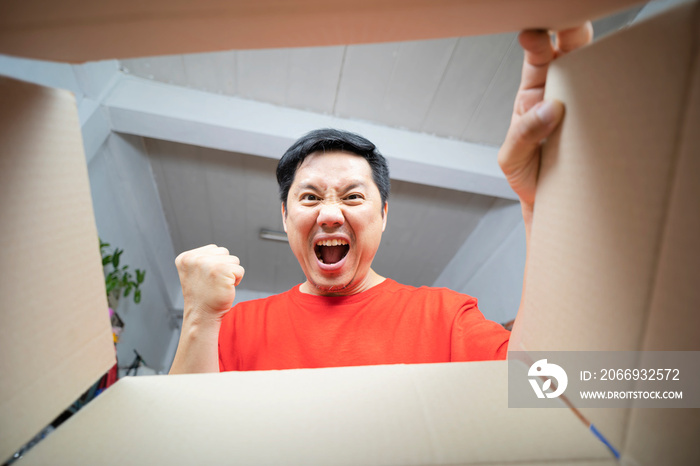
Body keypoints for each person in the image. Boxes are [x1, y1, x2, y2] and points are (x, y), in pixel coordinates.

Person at [169, 24, 594, 374]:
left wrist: (546, 208)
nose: (331, 214)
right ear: (285, 216)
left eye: (353, 196)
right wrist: (198, 319)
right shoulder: (235, 326)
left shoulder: (444, 317)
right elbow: (173, 442)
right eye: (310, 197)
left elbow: (548, 392)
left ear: (384, 213)